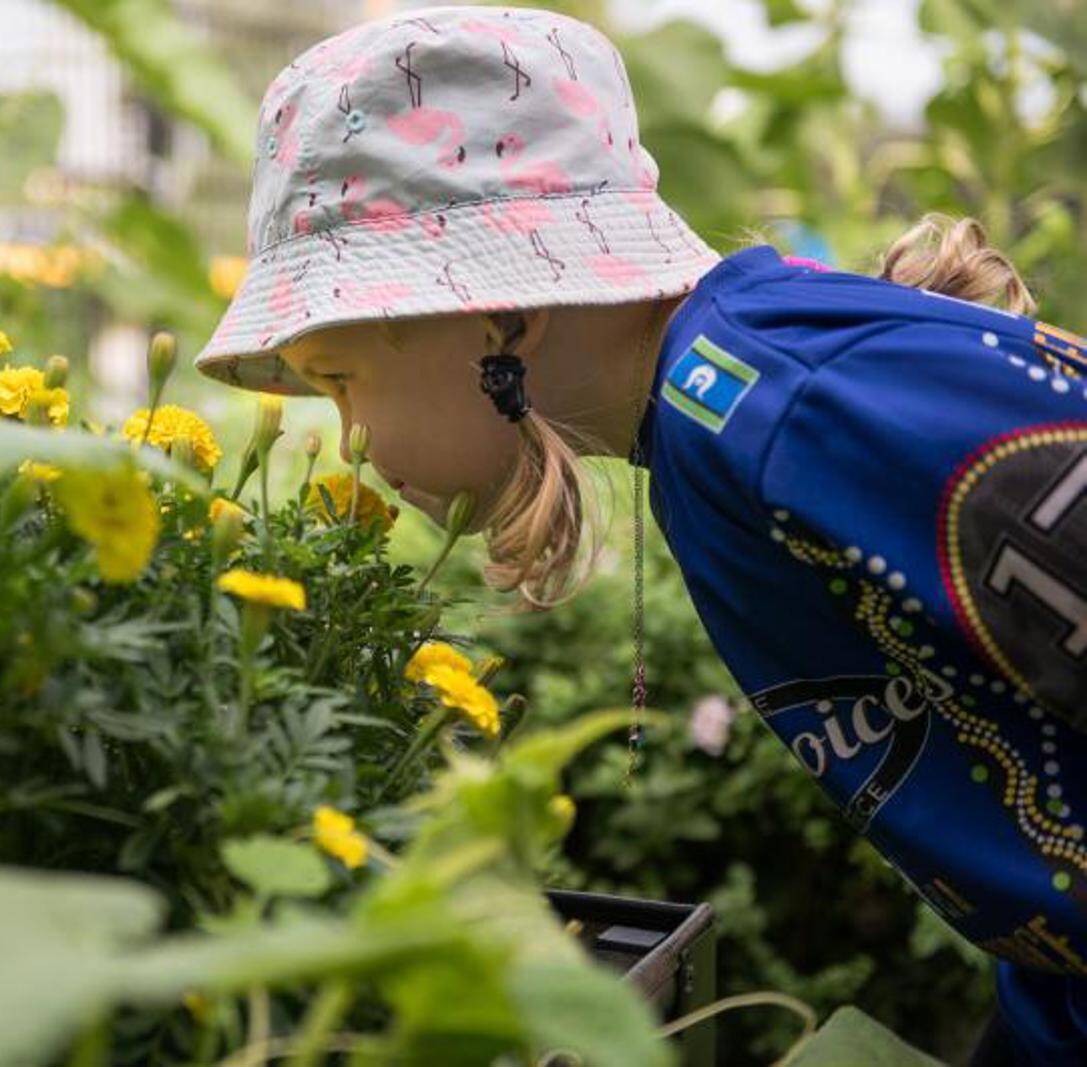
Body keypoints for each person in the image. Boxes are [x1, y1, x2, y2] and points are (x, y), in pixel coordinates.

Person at [190, 5, 1085, 1064]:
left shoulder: (777, 408)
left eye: (339, 380)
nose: (347, 438)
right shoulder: (710, 430)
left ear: (495, 315)